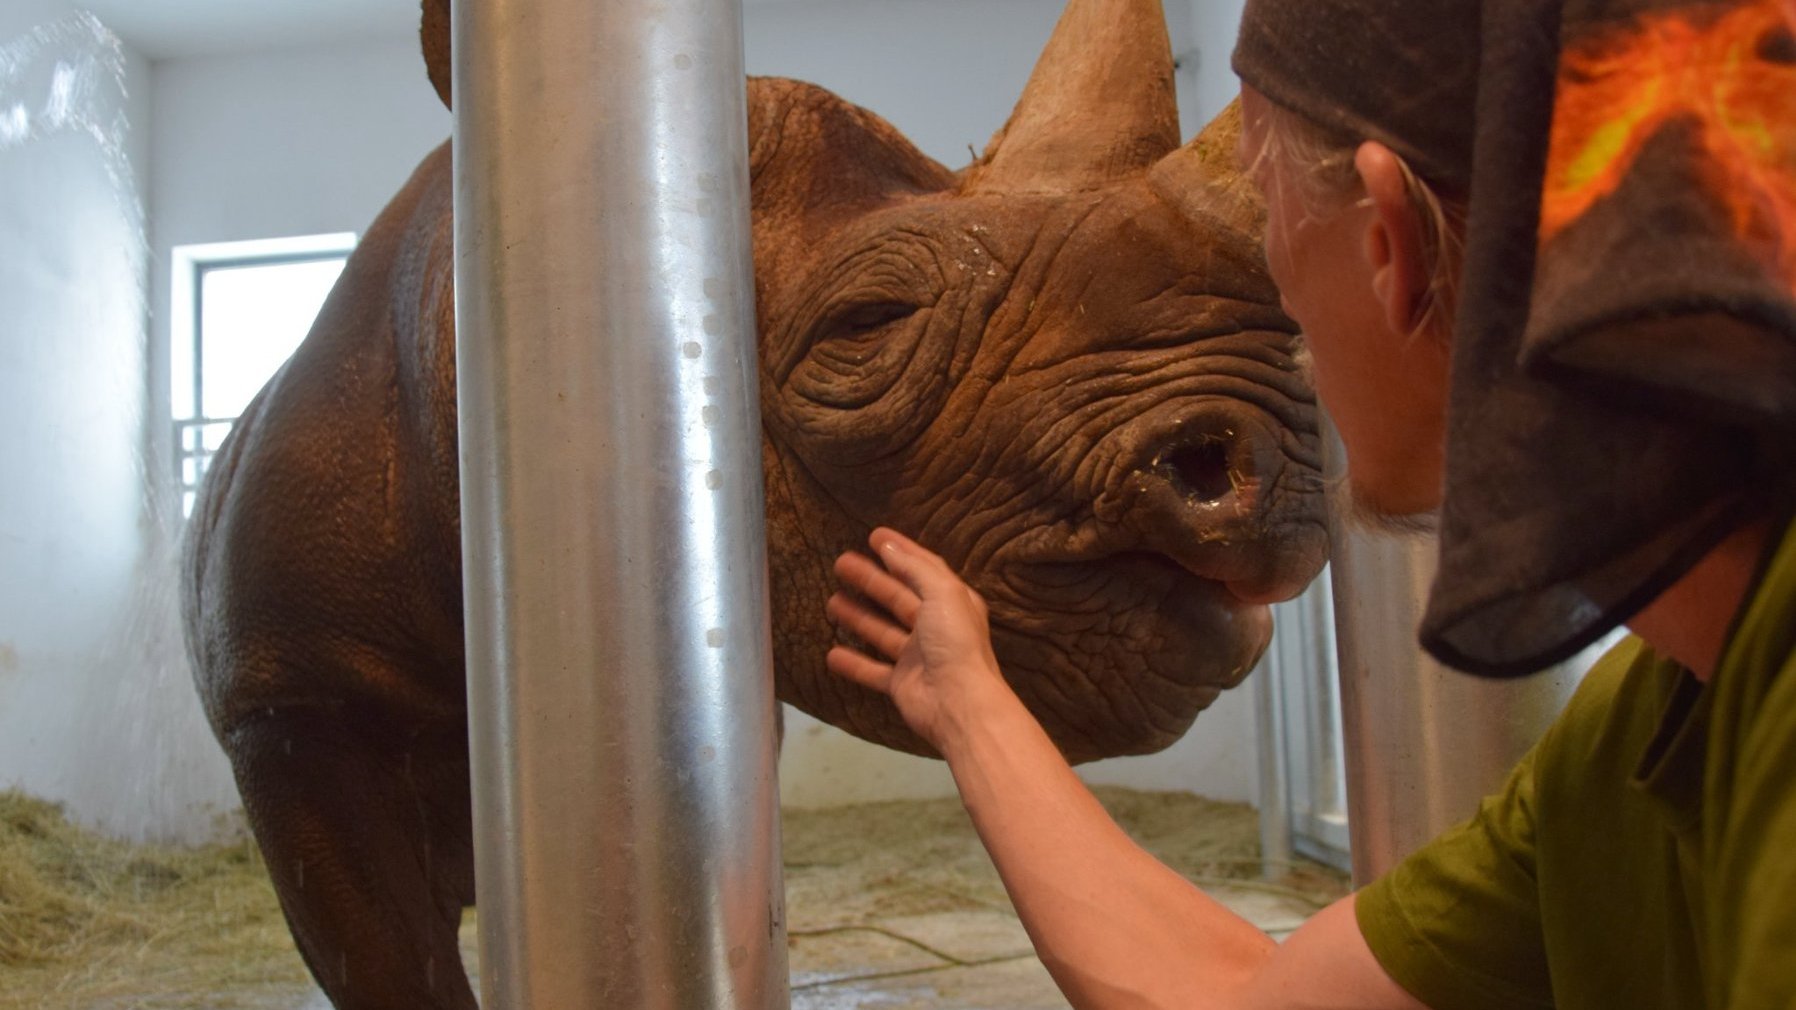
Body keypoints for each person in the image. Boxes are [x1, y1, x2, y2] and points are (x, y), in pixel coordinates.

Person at [823, 1, 1796, 1007]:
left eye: (1263, 209)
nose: (1285, 303)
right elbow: (1251, 998)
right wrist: (965, 698)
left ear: (1391, 245)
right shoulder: (1647, 717)